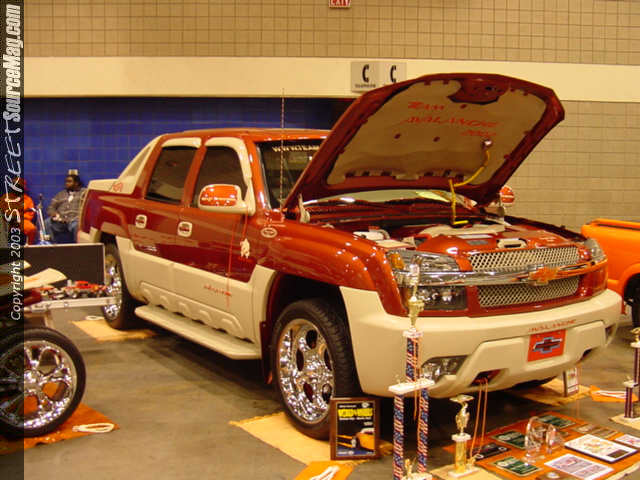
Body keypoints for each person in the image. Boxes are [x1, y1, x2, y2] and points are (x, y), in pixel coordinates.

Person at [45, 174, 86, 243]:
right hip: (60, 220)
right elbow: (51, 207)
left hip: (75, 220)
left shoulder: (84, 192)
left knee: (77, 226)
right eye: (66, 181)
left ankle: (78, 246)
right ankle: (51, 245)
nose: (66, 183)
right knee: (47, 222)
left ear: (76, 183)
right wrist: (54, 214)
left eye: (69, 181)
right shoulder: (61, 194)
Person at [0, 177, 37, 244]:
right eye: (14, 185)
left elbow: (30, 214)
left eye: (18, 186)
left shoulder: (27, 199)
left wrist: (18, 218)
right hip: (6, 221)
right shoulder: (5, 197)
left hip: (21, 221)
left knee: (31, 228)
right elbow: (2, 211)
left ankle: (30, 246)